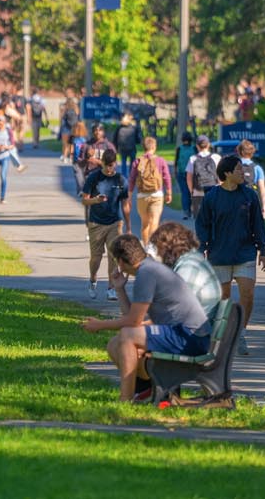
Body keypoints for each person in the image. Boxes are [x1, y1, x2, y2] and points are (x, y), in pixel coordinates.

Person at [81, 234, 212, 401]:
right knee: (115, 343)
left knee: (127, 336)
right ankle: (147, 389)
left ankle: (126, 399)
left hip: (189, 337)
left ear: (120, 262)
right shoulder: (149, 268)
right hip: (187, 334)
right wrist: (120, 288)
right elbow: (132, 319)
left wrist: (99, 325)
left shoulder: (146, 274)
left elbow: (133, 323)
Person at [195, 154, 265, 355]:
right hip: (219, 255)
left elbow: (258, 224)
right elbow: (202, 225)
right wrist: (202, 249)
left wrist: (262, 250)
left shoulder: (249, 195)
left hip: (245, 253)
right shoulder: (212, 197)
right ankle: (223, 335)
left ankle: (241, 333)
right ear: (227, 173)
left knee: (248, 293)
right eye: (237, 169)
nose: (242, 172)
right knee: (224, 299)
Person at [79, 148, 131, 300]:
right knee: (96, 257)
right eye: (106, 165)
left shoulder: (121, 180)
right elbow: (84, 200)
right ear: (101, 163)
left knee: (114, 256)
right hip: (96, 223)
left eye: (112, 165)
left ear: (115, 163)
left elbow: (126, 204)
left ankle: (111, 288)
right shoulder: (94, 178)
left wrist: (128, 226)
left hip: (115, 222)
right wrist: (95, 200)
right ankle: (93, 279)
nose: (109, 168)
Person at [151, 221, 222, 322]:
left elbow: (176, 310)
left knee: (131, 332)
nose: (158, 253)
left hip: (193, 332)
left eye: (160, 248)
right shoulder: (190, 260)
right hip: (194, 326)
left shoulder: (189, 267)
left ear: (170, 247)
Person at [130, 135, 173, 245]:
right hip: (156, 195)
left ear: (143, 147)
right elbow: (166, 176)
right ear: (154, 147)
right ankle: (152, 247)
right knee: (154, 221)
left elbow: (132, 179)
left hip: (142, 196)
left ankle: (146, 246)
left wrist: (129, 195)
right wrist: (169, 192)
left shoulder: (138, 161)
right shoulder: (160, 160)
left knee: (145, 224)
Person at [185, 135, 223, 209]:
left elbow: (189, 178)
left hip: (198, 191)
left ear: (197, 146)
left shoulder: (193, 159)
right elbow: (221, 176)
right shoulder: (216, 157)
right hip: (214, 190)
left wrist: (192, 191)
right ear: (208, 145)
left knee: (200, 216)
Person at [236, 139, 265, 217]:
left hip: (236, 201)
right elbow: (262, 188)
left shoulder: (234, 166)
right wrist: (264, 206)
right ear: (252, 152)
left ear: (240, 151)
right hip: (252, 200)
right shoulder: (257, 168)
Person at [173, 132, 197, 221]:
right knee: (191, 192)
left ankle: (186, 211)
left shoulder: (179, 149)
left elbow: (176, 161)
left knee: (185, 193)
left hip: (182, 173)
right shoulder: (194, 148)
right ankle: (190, 209)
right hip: (192, 174)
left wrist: (175, 172)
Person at [112, 113, 142, 180]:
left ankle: (124, 176)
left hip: (122, 148)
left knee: (123, 163)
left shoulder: (119, 127)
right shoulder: (134, 127)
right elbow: (138, 139)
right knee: (132, 163)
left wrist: (116, 148)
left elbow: (115, 138)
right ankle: (132, 176)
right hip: (132, 148)